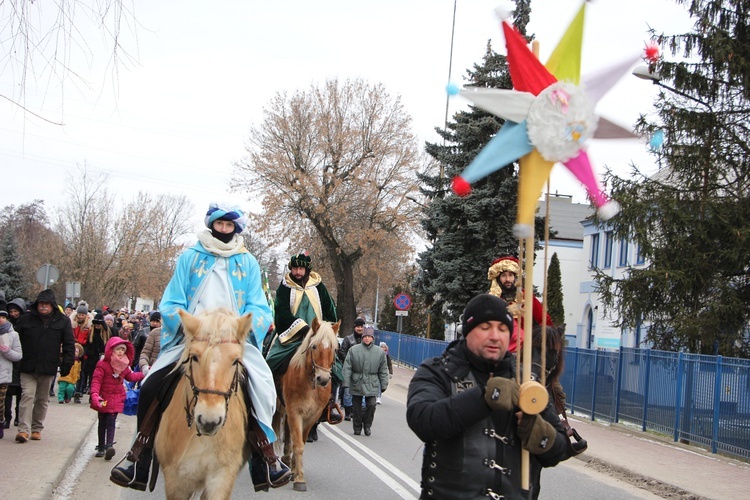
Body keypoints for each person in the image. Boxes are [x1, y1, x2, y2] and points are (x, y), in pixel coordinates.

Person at [110, 202, 290, 492]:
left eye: (229, 225)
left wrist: (244, 327)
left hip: (232, 339)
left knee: (264, 386)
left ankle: (265, 457)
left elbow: (259, 305)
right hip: (193, 337)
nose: (224, 229)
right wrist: (186, 324)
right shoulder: (190, 258)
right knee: (152, 383)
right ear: (212, 225)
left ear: (235, 228)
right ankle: (138, 455)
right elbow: (172, 301)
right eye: (219, 224)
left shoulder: (247, 262)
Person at [406, 294, 568, 499]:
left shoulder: (526, 380)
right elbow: (422, 419)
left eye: (502, 329)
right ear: (467, 331)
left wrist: (541, 435)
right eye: (485, 327)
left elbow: (558, 451)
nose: (495, 336)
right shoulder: (439, 370)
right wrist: (484, 398)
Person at [266, 251, 338, 442]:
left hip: (318, 337)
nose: (298, 272)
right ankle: (267, 397)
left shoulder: (318, 286)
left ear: (307, 269)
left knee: (335, 366)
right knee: (270, 361)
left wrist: (324, 332)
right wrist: (303, 328)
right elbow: (280, 313)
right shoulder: (285, 287)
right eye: (295, 268)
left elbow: (330, 310)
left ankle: (330, 404)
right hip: (292, 335)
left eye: (301, 268)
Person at [14, 289, 75, 443]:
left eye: (46, 304)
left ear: (53, 306)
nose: (43, 306)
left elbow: (69, 344)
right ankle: (23, 430)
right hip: (27, 365)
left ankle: (36, 428)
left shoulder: (62, 321)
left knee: (42, 398)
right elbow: (16, 340)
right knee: (27, 395)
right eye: (41, 303)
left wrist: (67, 364)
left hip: (48, 367)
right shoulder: (26, 319)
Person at [91, 336, 145, 460]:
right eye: (118, 349)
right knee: (102, 421)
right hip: (103, 398)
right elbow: (96, 381)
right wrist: (95, 394)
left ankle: (109, 445)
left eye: (123, 349)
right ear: (111, 350)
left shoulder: (124, 365)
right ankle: (101, 446)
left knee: (111, 421)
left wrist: (145, 374)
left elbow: (131, 377)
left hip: (116, 398)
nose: (121, 352)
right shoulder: (103, 364)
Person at [487, 255, 555, 354]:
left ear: (515, 277)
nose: (508, 279)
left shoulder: (526, 296)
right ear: (498, 278)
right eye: (504, 276)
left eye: (510, 275)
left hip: (523, 350)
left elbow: (544, 319)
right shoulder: (491, 298)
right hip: (497, 347)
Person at [342, 325, 389, 436]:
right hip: (357, 381)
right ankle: (357, 427)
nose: (367, 338)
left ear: (373, 338)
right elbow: (347, 367)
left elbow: (383, 370)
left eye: (369, 336)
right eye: (365, 336)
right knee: (357, 407)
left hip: (372, 382)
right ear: (362, 337)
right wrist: (346, 382)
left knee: (371, 405)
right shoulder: (353, 350)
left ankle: (367, 425)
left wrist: (384, 384)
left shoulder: (380, 352)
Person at [0, 308, 23, 439]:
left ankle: (1, 422)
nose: (0, 320)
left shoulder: (13, 335)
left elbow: (18, 355)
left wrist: (6, 351)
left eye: (3, 317)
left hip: (3, 374)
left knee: (1, 403)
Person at [4, 298, 26, 428]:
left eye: (16, 311)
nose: (13, 314)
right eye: (11, 311)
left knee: (20, 392)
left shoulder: (26, 325)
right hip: (10, 361)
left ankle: (18, 417)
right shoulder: (7, 327)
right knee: (7, 392)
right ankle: (7, 417)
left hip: (23, 362)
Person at [338, 317, 365, 420]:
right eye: (358, 326)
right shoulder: (348, 339)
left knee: (361, 392)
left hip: (362, 371)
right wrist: (350, 362)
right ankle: (348, 412)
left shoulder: (366, 339)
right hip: (350, 370)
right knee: (348, 392)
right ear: (354, 327)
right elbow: (342, 352)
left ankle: (358, 412)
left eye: (361, 327)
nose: (359, 329)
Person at [69, 302, 92, 403]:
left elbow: (89, 340)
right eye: (80, 314)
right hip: (73, 349)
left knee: (81, 372)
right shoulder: (72, 324)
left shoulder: (88, 326)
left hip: (83, 351)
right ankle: (69, 390)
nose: (81, 317)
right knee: (70, 370)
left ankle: (78, 391)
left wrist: (85, 351)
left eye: (83, 315)